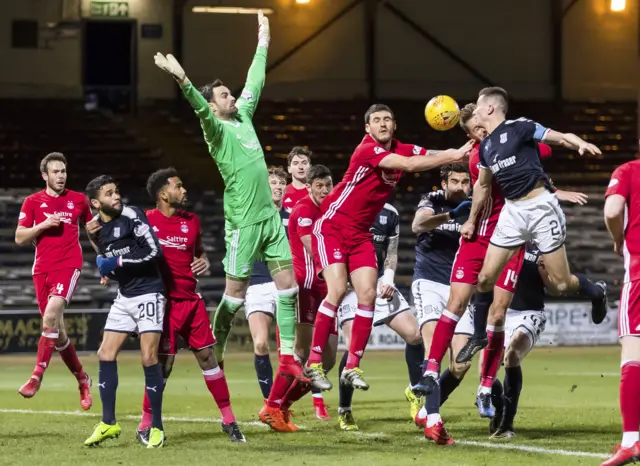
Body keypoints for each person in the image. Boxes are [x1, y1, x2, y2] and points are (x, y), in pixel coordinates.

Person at [153, 11, 305, 382]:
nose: (232, 96)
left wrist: (264, 40)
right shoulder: (216, 131)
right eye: (224, 95)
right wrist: (185, 81)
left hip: (270, 218)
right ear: (215, 105)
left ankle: (287, 357)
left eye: (230, 92)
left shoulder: (244, 115)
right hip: (243, 222)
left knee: (289, 288)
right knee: (235, 295)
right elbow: (201, 109)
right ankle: (215, 348)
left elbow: (256, 77)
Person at [304, 103, 472, 392]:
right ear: (368, 128)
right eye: (376, 120)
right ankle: (315, 362)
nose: (382, 124)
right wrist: (453, 154)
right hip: (332, 225)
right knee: (337, 289)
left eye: (387, 120)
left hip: (359, 233)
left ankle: (352, 366)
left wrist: (457, 153)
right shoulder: (367, 150)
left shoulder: (400, 147)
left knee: (368, 294)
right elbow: (408, 165)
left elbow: (424, 154)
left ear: (394, 125)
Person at [133, 168, 244, 444]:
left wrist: (204, 259)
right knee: (163, 366)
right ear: (163, 194)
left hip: (191, 302)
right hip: (163, 304)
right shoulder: (145, 221)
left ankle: (229, 420)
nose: (184, 191)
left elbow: (198, 253)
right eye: (178, 186)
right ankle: (145, 424)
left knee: (208, 357)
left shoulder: (192, 221)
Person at [83, 175, 166, 448]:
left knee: (148, 357)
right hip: (125, 295)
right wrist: (109, 268)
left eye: (116, 191)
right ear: (96, 203)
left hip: (149, 292)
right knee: (105, 354)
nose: (116, 196)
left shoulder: (132, 214)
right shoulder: (98, 229)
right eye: (109, 194)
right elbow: (108, 257)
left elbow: (154, 252)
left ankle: (156, 427)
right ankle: (108, 423)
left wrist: (117, 261)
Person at [260, 164, 338, 432]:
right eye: (319, 186)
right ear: (310, 187)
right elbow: (312, 245)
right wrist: (333, 269)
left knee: (327, 360)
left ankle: (280, 405)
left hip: (329, 287)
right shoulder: (304, 209)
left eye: (328, 185)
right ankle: (273, 406)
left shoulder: (333, 209)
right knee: (302, 355)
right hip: (307, 285)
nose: (324, 190)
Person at [15, 152, 93, 410]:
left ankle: (36, 377)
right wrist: (43, 225)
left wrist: (105, 260)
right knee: (58, 335)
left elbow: (93, 232)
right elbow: (20, 237)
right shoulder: (32, 202)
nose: (61, 176)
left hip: (68, 266)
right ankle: (83, 379)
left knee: (49, 318)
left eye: (63, 171)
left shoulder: (79, 201)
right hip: (42, 270)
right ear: (45, 176)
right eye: (56, 172)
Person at [337, 202, 422, 431]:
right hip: (350, 288)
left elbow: (391, 252)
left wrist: (389, 278)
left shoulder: (390, 212)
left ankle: (414, 392)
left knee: (415, 335)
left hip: (378, 284)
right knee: (354, 346)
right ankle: (344, 409)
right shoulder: (344, 206)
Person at [410, 163, 473, 443]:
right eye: (455, 181)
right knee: (433, 345)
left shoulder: (477, 205)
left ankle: (427, 409)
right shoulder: (432, 200)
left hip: (460, 287)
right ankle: (434, 421)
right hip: (430, 282)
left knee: (461, 363)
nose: (460, 186)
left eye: (465, 181)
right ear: (444, 184)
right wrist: (450, 215)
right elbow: (417, 224)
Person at [602, 159, 640, 466]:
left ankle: (631, 441)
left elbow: (613, 210)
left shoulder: (628, 170)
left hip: (639, 277)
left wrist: (618, 238)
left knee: (633, 355)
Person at [283, 147, 312, 213]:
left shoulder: (316, 193)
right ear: (289, 169)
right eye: (296, 163)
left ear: (310, 167)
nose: (300, 167)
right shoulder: (282, 193)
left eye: (304, 163)